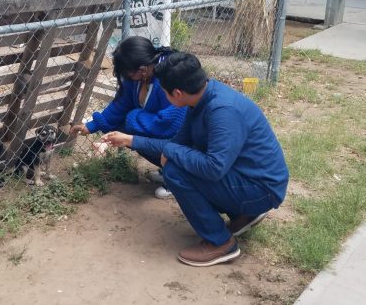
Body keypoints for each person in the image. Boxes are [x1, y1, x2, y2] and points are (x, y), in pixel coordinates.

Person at [103, 52, 289, 267]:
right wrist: (130, 140)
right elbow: (177, 143)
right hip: (247, 177)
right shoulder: (202, 97)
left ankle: (221, 243)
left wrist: (171, 153)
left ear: (177, 93)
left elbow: (213, 168)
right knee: (176, 159)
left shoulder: (222, 111)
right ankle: (242, 213)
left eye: (164, 92)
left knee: (174, 171)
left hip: (261, 189)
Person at [70, 36, 187, 199]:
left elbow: (171, 124)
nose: (125, 77)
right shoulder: (140, 75)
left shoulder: (168, 77)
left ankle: (178, 178)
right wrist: (91, 125)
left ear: (142, 69)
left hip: (182, 138)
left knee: (129, 131)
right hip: (158, 129)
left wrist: (133, 118)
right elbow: (121, 104)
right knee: (123, 131)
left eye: (127, 73)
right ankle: (168, 169)